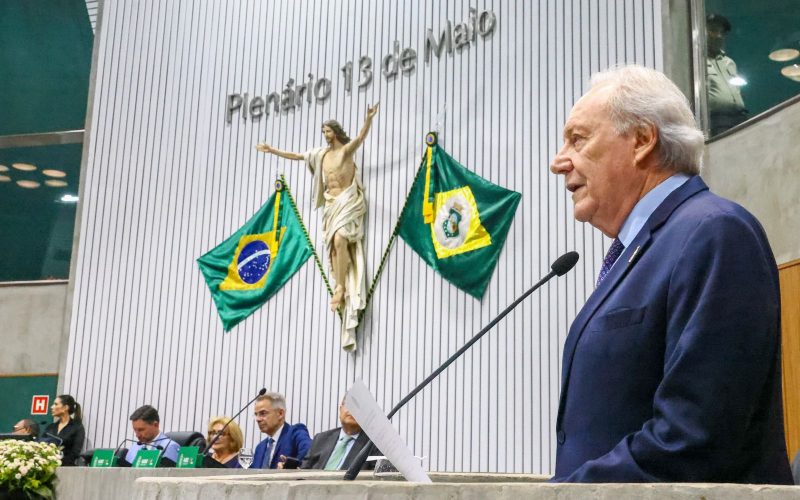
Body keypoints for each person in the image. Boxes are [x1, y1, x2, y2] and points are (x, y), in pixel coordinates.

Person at [548, 64, 792, 483]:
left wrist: (564, 494)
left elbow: (694, 437)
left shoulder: (714, 232)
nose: (558, 162)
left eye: (578, 139)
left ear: (643, 140)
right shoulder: (642, 250)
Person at [256, 104, 379, 351]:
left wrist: (368, 119)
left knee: (340, 240)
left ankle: (341, 287)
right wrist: (272, 150)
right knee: (333, 248)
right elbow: (297, 156)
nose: (325, 135)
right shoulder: (320, 156)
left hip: (346, 202)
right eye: (323, 131)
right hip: (331, 205)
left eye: (327, 131)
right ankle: (340, 283)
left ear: (335, 131)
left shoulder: (345, 152)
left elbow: (360, 137)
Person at [300, 398, 373, 471]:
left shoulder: (373, 445)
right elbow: (303, 470)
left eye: (358, 407)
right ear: (340, 409)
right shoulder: (320, 438)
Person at [706, 13, 748, 135]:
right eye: (713, 31)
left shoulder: (730, 63)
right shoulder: (698, 62)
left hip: (741, 118)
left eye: (722, 32)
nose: (719, 36)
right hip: (718, 120)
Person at [251, 392, 311, 469]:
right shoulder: (260, 448)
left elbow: (309, 452)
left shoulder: (295, 433)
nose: (258, 419)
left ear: (280, 413)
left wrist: (291, 466)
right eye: (256, 414)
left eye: (263, 413)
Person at [43, 394, 85, 466]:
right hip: (47, 466)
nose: (51, 407)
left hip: (65, 467)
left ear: (65, 407)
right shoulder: (50, 427)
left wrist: (57, 462)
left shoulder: (77, 427)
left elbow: (75, 452)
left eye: (56, 404)